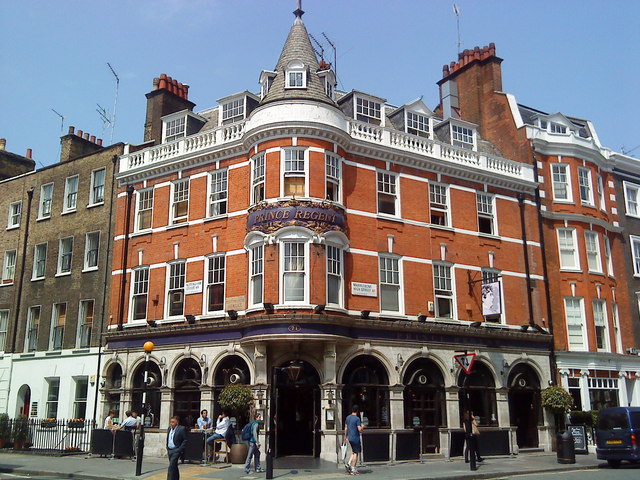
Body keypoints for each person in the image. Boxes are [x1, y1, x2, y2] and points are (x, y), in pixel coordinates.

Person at [344, 405, 365, 476]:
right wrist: (363, 427)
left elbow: (346, 428)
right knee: (356, 453)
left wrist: (345, 437)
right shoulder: (357, 419)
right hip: (355, 438)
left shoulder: (348, 417)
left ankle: (349, 463)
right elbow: (359, 429)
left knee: (353, 451)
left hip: (349, 437)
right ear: (357, 411)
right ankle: (353, 468)